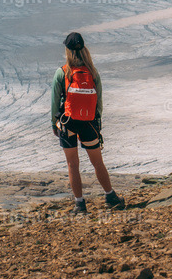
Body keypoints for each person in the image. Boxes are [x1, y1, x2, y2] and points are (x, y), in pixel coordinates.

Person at [51, 31, 125, 214]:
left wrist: (55, 123)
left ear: (67, 50)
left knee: (72, 164)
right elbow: (99, 102)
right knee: (97, 163)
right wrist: (96, 123)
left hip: (68, 123)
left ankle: (79, 204)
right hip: (89, 123)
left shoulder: (62, 73)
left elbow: (54, 102)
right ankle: (111, 196)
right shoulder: (92, 72)